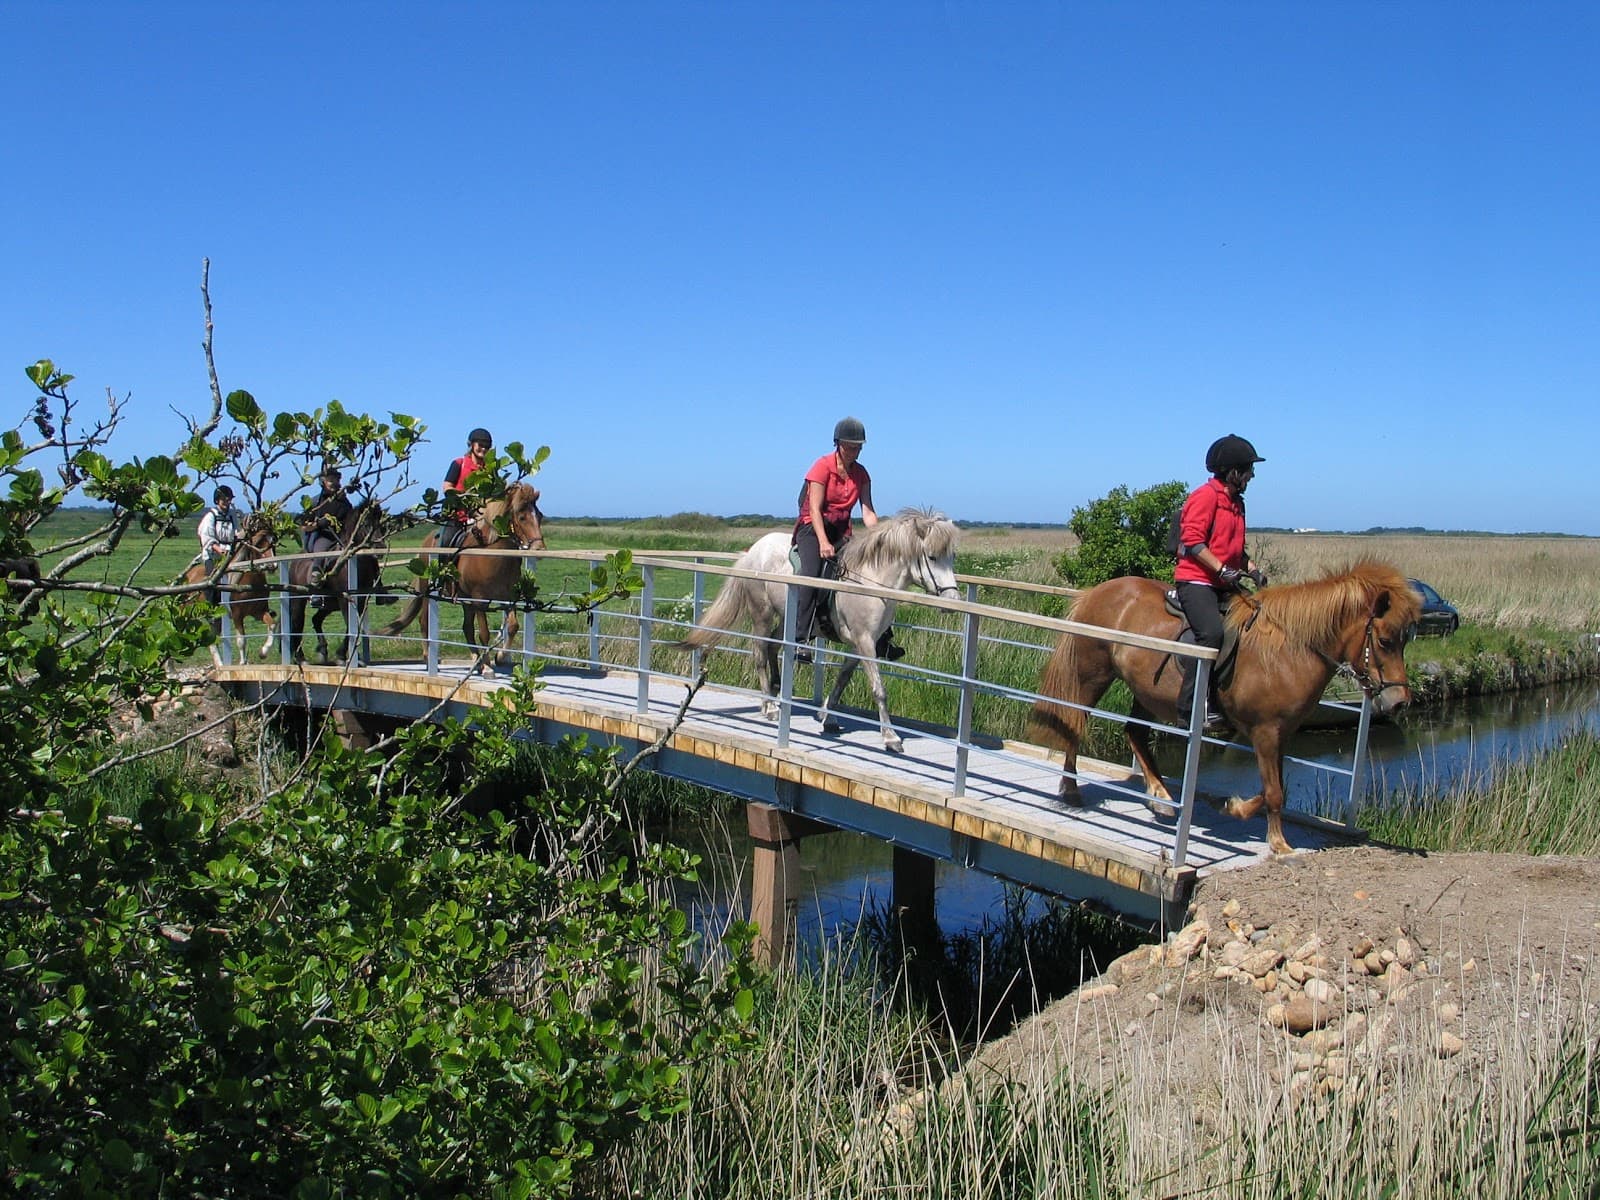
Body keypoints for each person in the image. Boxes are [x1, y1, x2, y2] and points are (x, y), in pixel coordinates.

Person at [1174, 434, 1269, 732]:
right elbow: (1192, 540)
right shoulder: (1206, 496)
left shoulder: (1236, 503)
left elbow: (1234, 549)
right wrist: (1221, 569)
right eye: (1249, 469)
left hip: (1223, 580)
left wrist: (1252, 570)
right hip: (1197, 580)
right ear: (1234, 472)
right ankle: (1191, 707)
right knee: (1212, 635)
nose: (1252, 475)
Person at [792, 416, 902, 664]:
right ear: (838, 444)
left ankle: (884, 638)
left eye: (859, 447)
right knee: (810, 574)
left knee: (872, 572)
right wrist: (822, 542)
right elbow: (814, 509)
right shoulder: (821, 467)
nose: (855, 451)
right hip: (813, 528)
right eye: (851, 446)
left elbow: (868, 511)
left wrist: (880, 538)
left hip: (843, 531)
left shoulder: (861, 474)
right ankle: (801, 639)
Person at [440, 427, 494, 548]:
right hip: (458, 517)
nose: (484, 449)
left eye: (487, 446)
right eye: (480, 445)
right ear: (471, 444)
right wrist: (465, 497)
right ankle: (442, 565)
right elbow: (447, 487)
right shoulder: (459, 464)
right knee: (446, 541)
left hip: (483, 517)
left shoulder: (490, 470)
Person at [299, 467, 353, 587]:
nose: (335, 483)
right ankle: (316, 579)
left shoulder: (344, 502)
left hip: (343, 535)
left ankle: (377, 584)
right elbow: (304, 524)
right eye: (331, 480)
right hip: (325, 536)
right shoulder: (315, 502)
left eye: (337, 480)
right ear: (323, 482)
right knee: (321, 550)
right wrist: (315, 525)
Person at [196, 485, 240, 572]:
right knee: (213, 580)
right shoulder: (211, 516)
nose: (227, 502)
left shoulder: (232, 515)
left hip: (229, 553)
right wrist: (220, 550)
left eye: (229, 500)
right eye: (224, 500)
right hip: (213, 555)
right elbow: (207, 538)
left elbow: (236, 532)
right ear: (217, 500)